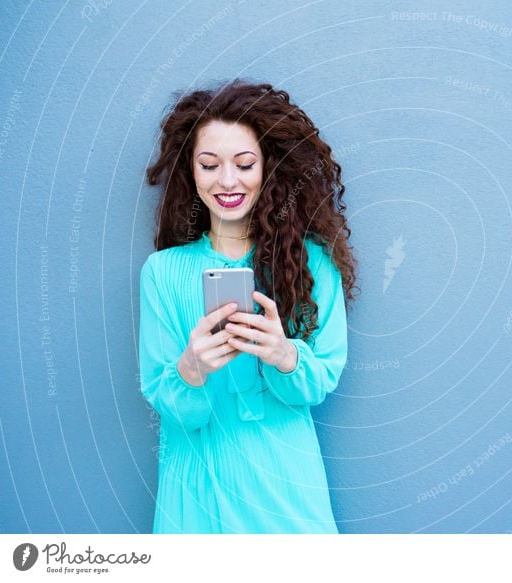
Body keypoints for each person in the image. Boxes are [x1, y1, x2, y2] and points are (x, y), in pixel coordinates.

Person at [138, 78, 358, 533]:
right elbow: (168, 401)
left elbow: (321, 379)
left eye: (244, 163)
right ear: (190, 173)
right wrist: (190, 369)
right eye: (209, 164)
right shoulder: (161, 272)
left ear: (268, 168)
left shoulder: (314, 263)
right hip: (198, 490)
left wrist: (284, 355)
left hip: (285, 486)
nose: (227, 181)